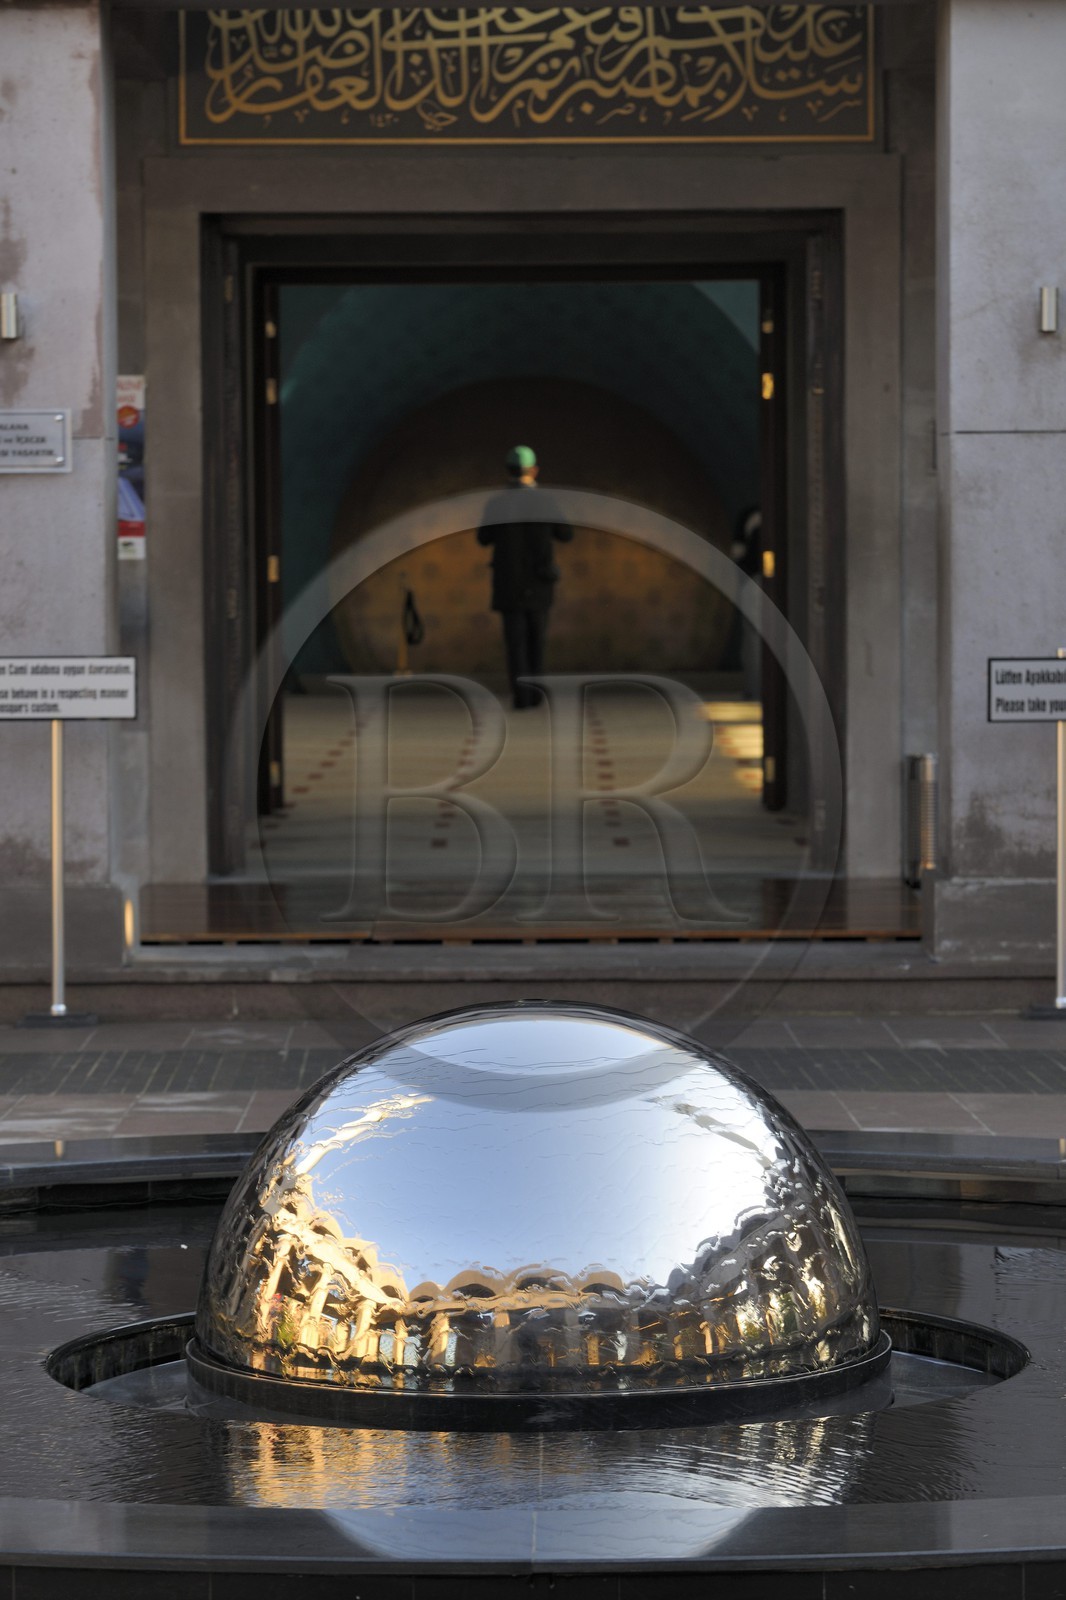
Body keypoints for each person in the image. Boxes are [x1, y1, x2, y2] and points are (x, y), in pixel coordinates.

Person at [478, 445, 573, 709]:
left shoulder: (496, 502)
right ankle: (537, 694)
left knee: (515, 643)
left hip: (508, 583)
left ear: (508, 471)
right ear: (534, 470)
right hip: (539, 582)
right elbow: (566, 533)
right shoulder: (546, 501)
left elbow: (483, 538)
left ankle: (522, 697)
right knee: (537, 640)